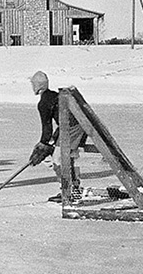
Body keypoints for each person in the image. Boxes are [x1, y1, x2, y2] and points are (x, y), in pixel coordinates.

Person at [27, 71, 85, 203]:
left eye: (33, 84)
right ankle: (72, 191)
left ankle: (68, 192)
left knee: (58, 159)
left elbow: (47, 127)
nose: (32, 86)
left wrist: (43, 145)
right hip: (73, 125)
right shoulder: (52, 95)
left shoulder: (44, 103)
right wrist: (49, 141)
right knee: (66, 158)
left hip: (73, 127)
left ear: (38, 86)